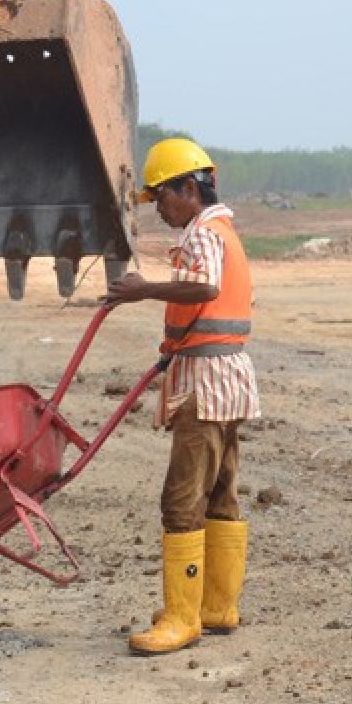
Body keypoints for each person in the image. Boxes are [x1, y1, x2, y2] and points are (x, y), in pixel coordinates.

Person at [106, 138, 259, 655]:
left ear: (188, 189)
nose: (161, 211)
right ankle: (216, 606)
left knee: (182, 498)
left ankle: (181, 618)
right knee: (221, 491)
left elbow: (204, 289)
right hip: (228, 374)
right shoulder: (224, 230)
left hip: (207, 383)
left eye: (163, 198)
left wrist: (142, 290)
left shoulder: (201, 235)